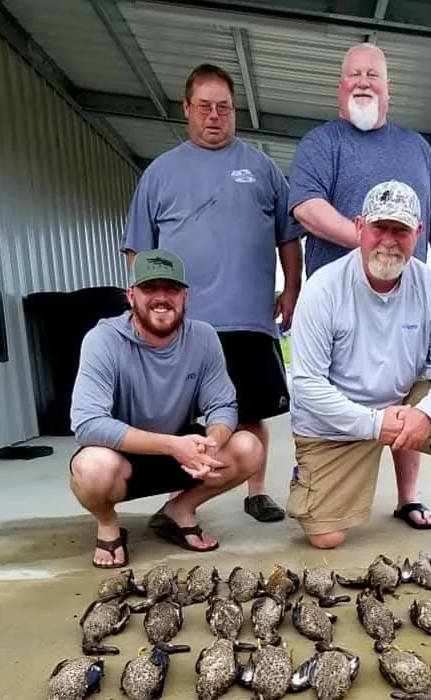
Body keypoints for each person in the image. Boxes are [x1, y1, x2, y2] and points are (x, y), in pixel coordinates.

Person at [286, 180, 431, 562]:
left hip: (402, 402)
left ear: (417, 233)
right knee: (326, 538)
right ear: (359, 227)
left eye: (400, 230)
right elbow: (306, 385)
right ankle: (311, 475)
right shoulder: (322, 289)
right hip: (339, 420)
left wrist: (427, 414)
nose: (388, 241)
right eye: (379, 227)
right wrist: (375, 424)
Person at [121, 63, 303, 524]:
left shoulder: (262, 168)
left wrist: (291, 290)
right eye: (204, 106)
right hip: (181, 326)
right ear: (186, 108)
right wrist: (146, 311)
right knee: (181, 417)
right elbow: (138, 250)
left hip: (249, 319)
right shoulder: (159, 173)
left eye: (224, 107)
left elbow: (288, 238)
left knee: (250, 412)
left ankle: (256, 492)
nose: (215, 116)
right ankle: (182, 496)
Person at [288, 42, 431, 533]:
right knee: (326, 536)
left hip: (407, 301)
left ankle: (408, 497)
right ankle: (320, 477)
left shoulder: (416, 147)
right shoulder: (322, 142)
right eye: (354, 74)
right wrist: (373, 246)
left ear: (388, 88)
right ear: (340, 86)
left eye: (373, 75)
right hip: (343, 303)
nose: (363, 81)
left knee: (407, 387)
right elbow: (305, 208)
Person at [69, 249, 263, 568]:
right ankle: (107, 523)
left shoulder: (203, 337)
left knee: (248, 448)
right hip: (121, 455)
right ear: (131, 295)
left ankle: (179, 510)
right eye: (150, 288)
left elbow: (223, 404)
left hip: (182, 450)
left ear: (185, 297)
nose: (161, 298)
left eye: (171, 289)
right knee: (91, 468)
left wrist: (212, 442)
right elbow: (87, 423)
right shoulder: (102, 339)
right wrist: (172, 446)